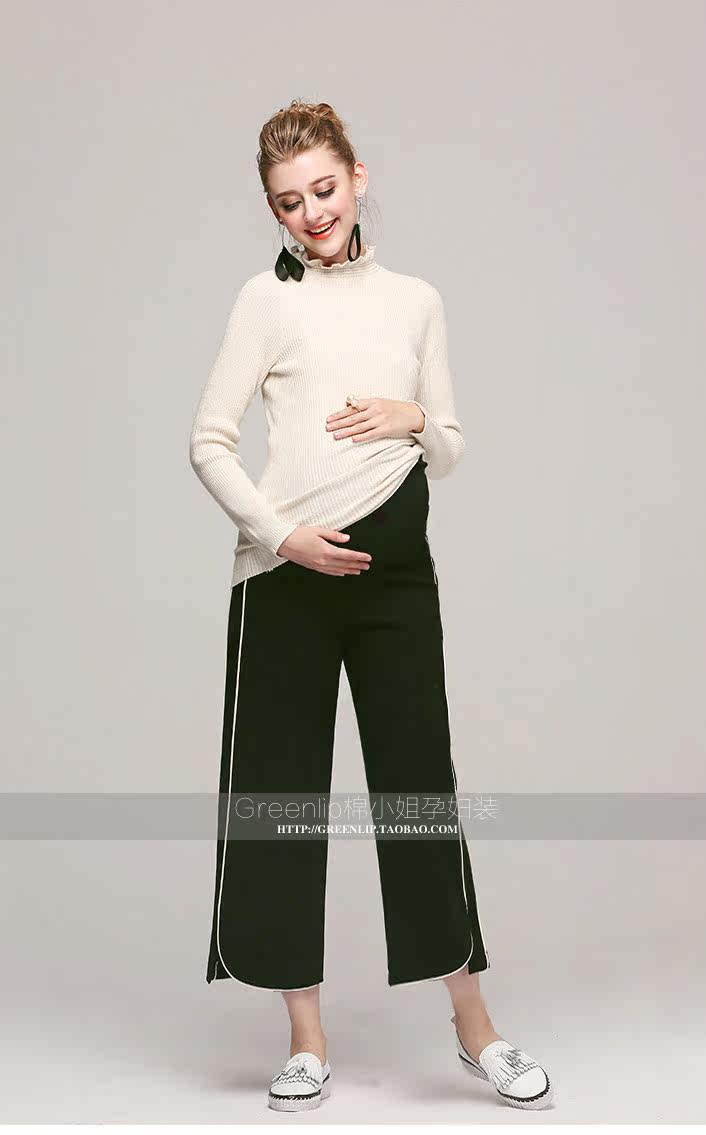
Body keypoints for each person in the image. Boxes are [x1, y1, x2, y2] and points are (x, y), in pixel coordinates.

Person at [189, 99, 553, 1113]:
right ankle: (306, 1040)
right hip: (284, 578)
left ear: (357, 177)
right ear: (272, 209)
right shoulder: (264, 302)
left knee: (419, 789)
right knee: (279, 799)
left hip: (394, 575)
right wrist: (282, 536)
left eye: (324, 188)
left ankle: (475, 1029)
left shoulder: (416, 302)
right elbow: (208, 439)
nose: (311, 213)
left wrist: (415, 417)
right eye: (288, 201)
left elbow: (452, 444)